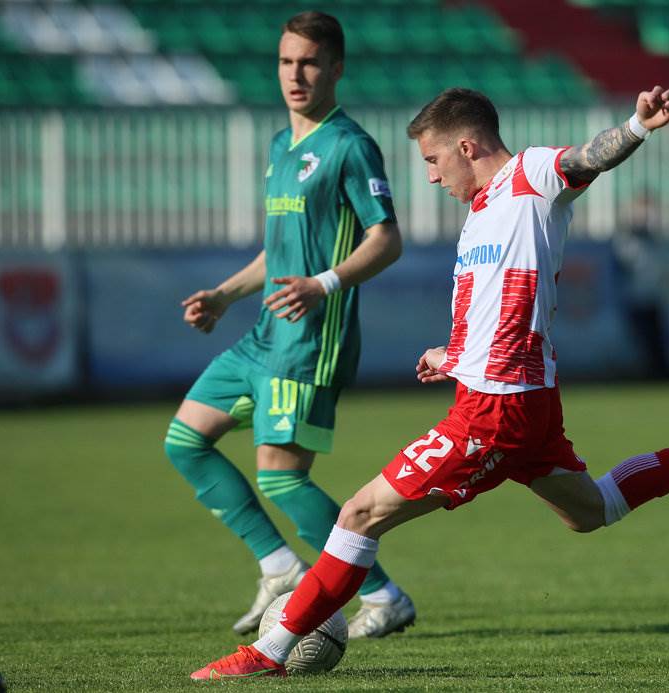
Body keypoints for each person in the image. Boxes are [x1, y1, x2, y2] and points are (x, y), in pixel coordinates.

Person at [190, 85, 669, 680]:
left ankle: (271, 651)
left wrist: (637, 126)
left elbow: (585, 158)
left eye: (433, 160)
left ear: (466, 147)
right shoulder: (481, 215)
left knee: (359, 514)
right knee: (592, 510)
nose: (432, 176)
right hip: (522, 398)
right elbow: (497, 308)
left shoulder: (530, 177)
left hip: (497, 408)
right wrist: (452, 354)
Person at [164, 11, 415, 641]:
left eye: (308, 62)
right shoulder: (283, 147)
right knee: (185, 441)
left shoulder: (349, 145)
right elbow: (279, 254)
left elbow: (386, 239)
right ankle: (279, 567)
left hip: (311, 339)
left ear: (335, 68)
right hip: (264, 334)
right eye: (285, 62)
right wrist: (224, 295)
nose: (295, 74)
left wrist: (324, 284)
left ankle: (384, 595)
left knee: (281, 474)